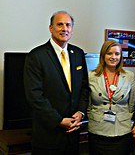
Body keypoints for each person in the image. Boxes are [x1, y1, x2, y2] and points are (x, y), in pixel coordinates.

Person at [24, 11, 90, 155]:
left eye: (68, 25)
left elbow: (84, 88)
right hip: (48, 136)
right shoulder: (36, 56)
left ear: (72, 29)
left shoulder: (78, 54)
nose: (64, 29)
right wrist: (59, 120)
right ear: (51, 28)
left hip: (73, 134)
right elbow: (35, 96)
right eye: (59, 24)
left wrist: (80, 112)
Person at [87, 39, 135, 155]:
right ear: (103, 55)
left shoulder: (129, 76)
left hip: (121, 130)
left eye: (117, 54)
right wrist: (94, 117)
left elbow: (131, 105)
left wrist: (126, 119)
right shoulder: (91, 76)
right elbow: (88, 104)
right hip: (97, 129)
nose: (113, 57)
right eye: (109, 53)